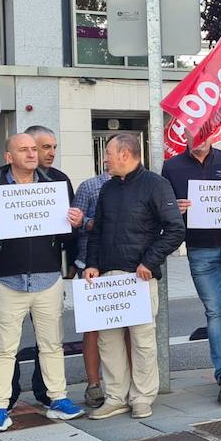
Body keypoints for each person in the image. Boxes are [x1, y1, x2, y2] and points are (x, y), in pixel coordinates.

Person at [0, 134, 86, 433]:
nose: (32, 154)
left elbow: (66, 236)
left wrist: (74, 224)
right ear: (9, 156)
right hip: (8, 279)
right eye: (24, 150)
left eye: (34, 149)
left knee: (52, 344)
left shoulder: (54, 185)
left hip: (47, 277)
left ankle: (58, 399)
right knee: (3, 348)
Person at [82, 134, 185, 419]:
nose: (105, 159)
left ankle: (142, 397)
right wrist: (91, 264)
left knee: (142, 340)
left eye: (109, 153)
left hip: (139, 277)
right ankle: (116, 397)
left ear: (125, 154)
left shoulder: (156, 185)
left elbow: (175, 229)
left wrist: (149, 262)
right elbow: (97, 232)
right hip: (107, 277)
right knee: (108, 340)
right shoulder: (107, 189)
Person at [162, 140, 221, 403]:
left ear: (212, 134)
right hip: (200, 249)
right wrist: (175, 209)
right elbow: (164, 208)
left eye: (204, 131)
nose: (198, 137)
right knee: (215, 312)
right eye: (193, 130)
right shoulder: (172, 167)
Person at [72, 156, 112, 407]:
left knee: (126, 327)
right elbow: (74, 222)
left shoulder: (140, 185)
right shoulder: (89, 187)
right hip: (90, 264)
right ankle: (94, 383)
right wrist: (92, 224)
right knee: (93, 327)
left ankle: (122, 382)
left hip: (124, 264)